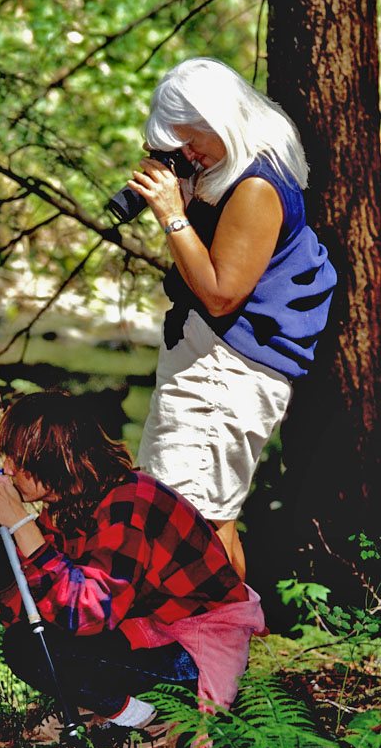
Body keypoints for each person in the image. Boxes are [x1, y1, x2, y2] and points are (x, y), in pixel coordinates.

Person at [0, 390, 265, 748]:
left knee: (31, 648)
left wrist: (21, 525)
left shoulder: (130, 502)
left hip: (194, 654)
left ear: (53, 459)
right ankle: (102, 707)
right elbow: (28, 605)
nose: (6, 469)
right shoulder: (69, 505)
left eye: (17, 459)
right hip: (151, 633)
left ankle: (154, 719)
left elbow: (88, 613)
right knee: (28, 641)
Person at [127, 58, 337, 580]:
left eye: (192, 141)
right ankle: (218, 645)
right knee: (191, 511)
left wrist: (173, 214)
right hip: (211, 359)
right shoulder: (230, 168)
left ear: (222, 119)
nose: (188, 155)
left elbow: (221, 294)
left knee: (196, 520)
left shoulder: (257, 186)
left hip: (227, 368)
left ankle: (223, 648)